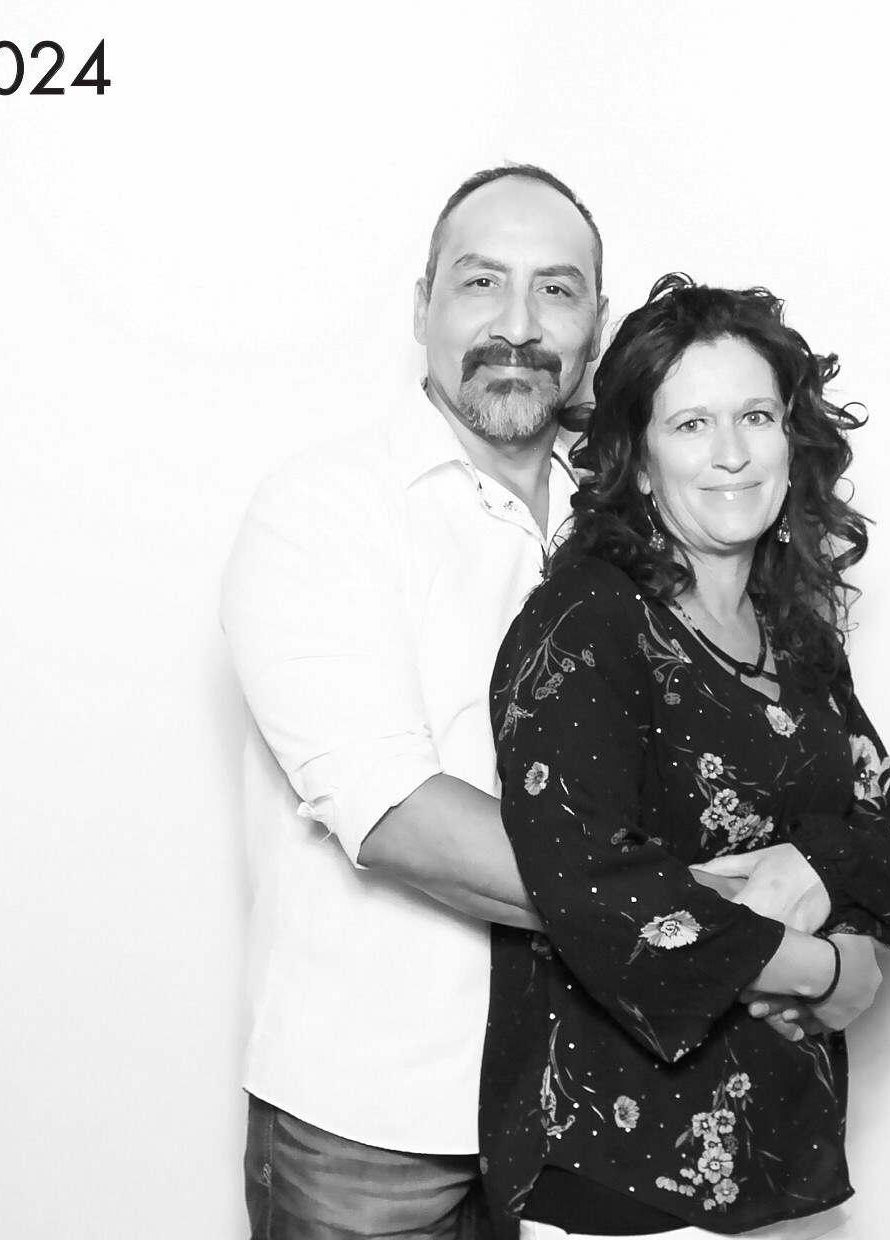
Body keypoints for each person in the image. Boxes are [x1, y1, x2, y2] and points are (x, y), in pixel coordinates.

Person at [482, 274, 890, 1238]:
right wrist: (826, 972)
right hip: (625, 1175)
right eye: (692, 424)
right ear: (640, 461)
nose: (731, 453)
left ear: (791, 441)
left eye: (756, 417)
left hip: (778, 1160)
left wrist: (814, 868)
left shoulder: (791, 632)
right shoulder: (588, 622)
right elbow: (590, 885)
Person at [220, 163, 608, 1238]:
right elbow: (395, 812)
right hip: (371, 1126)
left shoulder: (633, 516)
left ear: (596, 323)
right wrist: (708, 933)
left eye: (556, 290)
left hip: (595, 1110)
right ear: (423, 303)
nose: (518, 325)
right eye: (481, 283)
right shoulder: (325, 508)